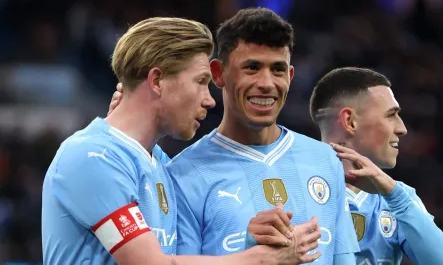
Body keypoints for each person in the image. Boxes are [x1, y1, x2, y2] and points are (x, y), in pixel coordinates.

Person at [41, 16, 322, 265]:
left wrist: (250, 244)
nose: (209, 100)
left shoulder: (159, 163)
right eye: (200, 81)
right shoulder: (91, 157)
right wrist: (259, 260)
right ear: (157, 81)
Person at [164, 8, 359, 264]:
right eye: (252, 68)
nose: (267, 83)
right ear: (218, 73)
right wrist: (253, 254)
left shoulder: (325, 160)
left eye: (277, 70)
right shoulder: (182, 175)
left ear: (290, 76)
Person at [309, 67, 443, 264]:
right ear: (350, 121)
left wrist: (395, 195)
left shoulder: (399, 198)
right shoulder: (295, 186)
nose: (402, 129)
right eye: (391, 115)